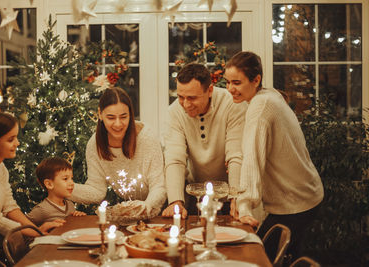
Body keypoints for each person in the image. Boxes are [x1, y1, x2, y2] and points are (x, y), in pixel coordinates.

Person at [224, 51, 324, 263]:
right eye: (227, 82)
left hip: (296, 201)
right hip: (306, 195)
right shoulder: (268, 96)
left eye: (236, 82)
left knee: (259, 259)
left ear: (256, 80)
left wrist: (244, 204)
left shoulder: (260, 107)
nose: (230, 88)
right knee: (284, 258)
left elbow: (253, 157)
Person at [0, 112, 63, 263]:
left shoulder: (0, 168)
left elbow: (9, 207)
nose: (17, 143)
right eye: (11, 139)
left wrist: (37, 231)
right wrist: (32, 233)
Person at [162, 63, 247, 218]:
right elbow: (175, 159)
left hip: (230, 193)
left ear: (209, 91)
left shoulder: (232, 104)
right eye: (181, 97)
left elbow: (236, 155)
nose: (186, 104)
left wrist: (236, 198)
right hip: (196, 195)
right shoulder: (174, 112)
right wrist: (175, 201)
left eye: (192, 98)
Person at [71, 87, 166, 216]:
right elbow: (97, 190)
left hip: (163, 209)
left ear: (130, 115)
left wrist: (146, 207)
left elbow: (159, 185)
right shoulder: (95, 145)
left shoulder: (147, 139)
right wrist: (66, 189)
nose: (118, 124)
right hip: (131, 213)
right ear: (100, 114)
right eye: (111, 117)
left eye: (123, 117)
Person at [27, 157, 86, 226]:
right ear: (49, 184)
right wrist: (41, 230)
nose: (72, 183)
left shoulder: (70, 205)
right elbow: (22, 227)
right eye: (65, 179)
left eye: (71, 178)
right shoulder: (42, 210)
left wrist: (78, 217)